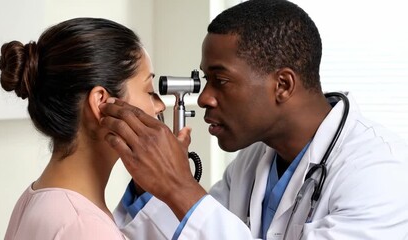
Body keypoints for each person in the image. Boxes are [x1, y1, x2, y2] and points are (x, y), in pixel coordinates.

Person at [100, 0, 408, 239]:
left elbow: (200, 218)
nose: (205, 97)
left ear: (283, 85)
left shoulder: (380, 172)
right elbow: (190, 231)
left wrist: (177, 184)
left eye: (220, 80)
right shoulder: (251, 163)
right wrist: (150, 183)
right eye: (205, 80)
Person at [0, 17, 166, 240]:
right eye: (149, 90)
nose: (160, 105)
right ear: (101, 103)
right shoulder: (83, 226)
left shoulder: (36, 200)